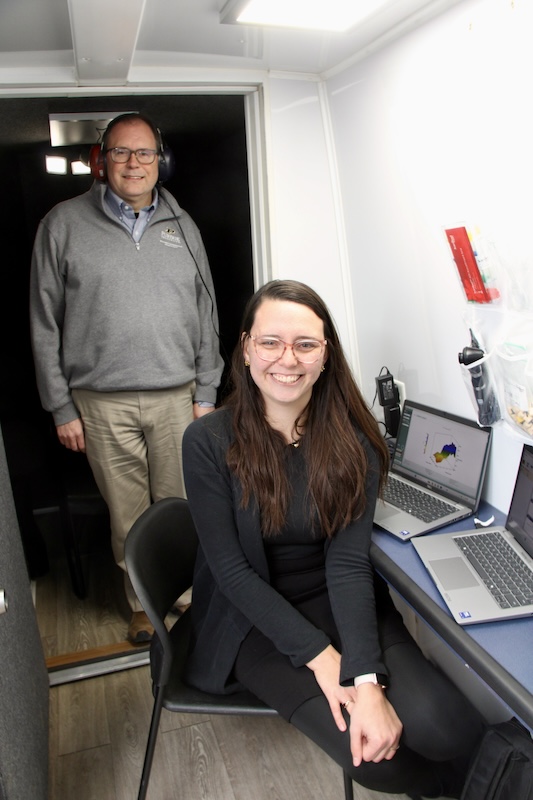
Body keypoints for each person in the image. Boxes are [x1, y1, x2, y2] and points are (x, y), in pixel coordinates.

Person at [181, 279, 485, 798]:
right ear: (247, 349)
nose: (287, 359)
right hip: (253, 621)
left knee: (447, 725)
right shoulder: (208, 441)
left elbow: (347, 565)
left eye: (305, 344)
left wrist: (364, 678)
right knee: (377, 764)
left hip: (338, 599)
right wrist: (325, 661)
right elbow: (232, 574)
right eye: (270, 342)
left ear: (326, 356)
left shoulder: (354, 441)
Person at [30, 112, 224, 644]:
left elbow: (207, 314)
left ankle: (186, 597)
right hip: (99, 403)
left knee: (181, 506)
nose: (133, 164)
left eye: (144, 153)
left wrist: (206, 393)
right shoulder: (62, 224)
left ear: (160, 162)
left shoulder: (183, 229)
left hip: (177, 399)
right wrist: (61, 407)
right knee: (128, 514)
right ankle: (142, 602)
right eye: (121, 152)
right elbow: (43, 323)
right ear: (101, 160)